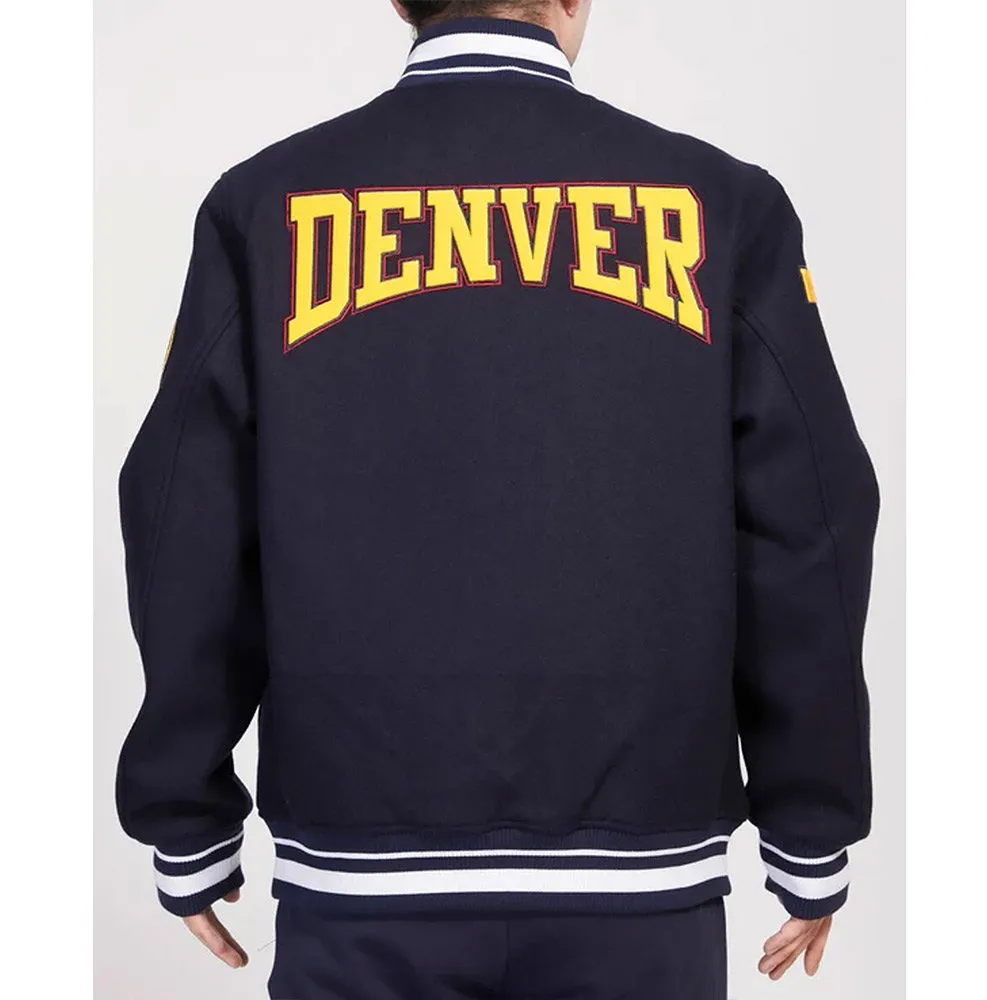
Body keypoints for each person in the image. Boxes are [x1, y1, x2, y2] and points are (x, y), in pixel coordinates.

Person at [114, 0, 879, 996]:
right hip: (640, 883)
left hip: (360, 875)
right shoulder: (721, 206)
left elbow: (185, 517)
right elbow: (808, 519)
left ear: (400, 1)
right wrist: (810, 824)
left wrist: (187, 817)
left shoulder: (265, 205)